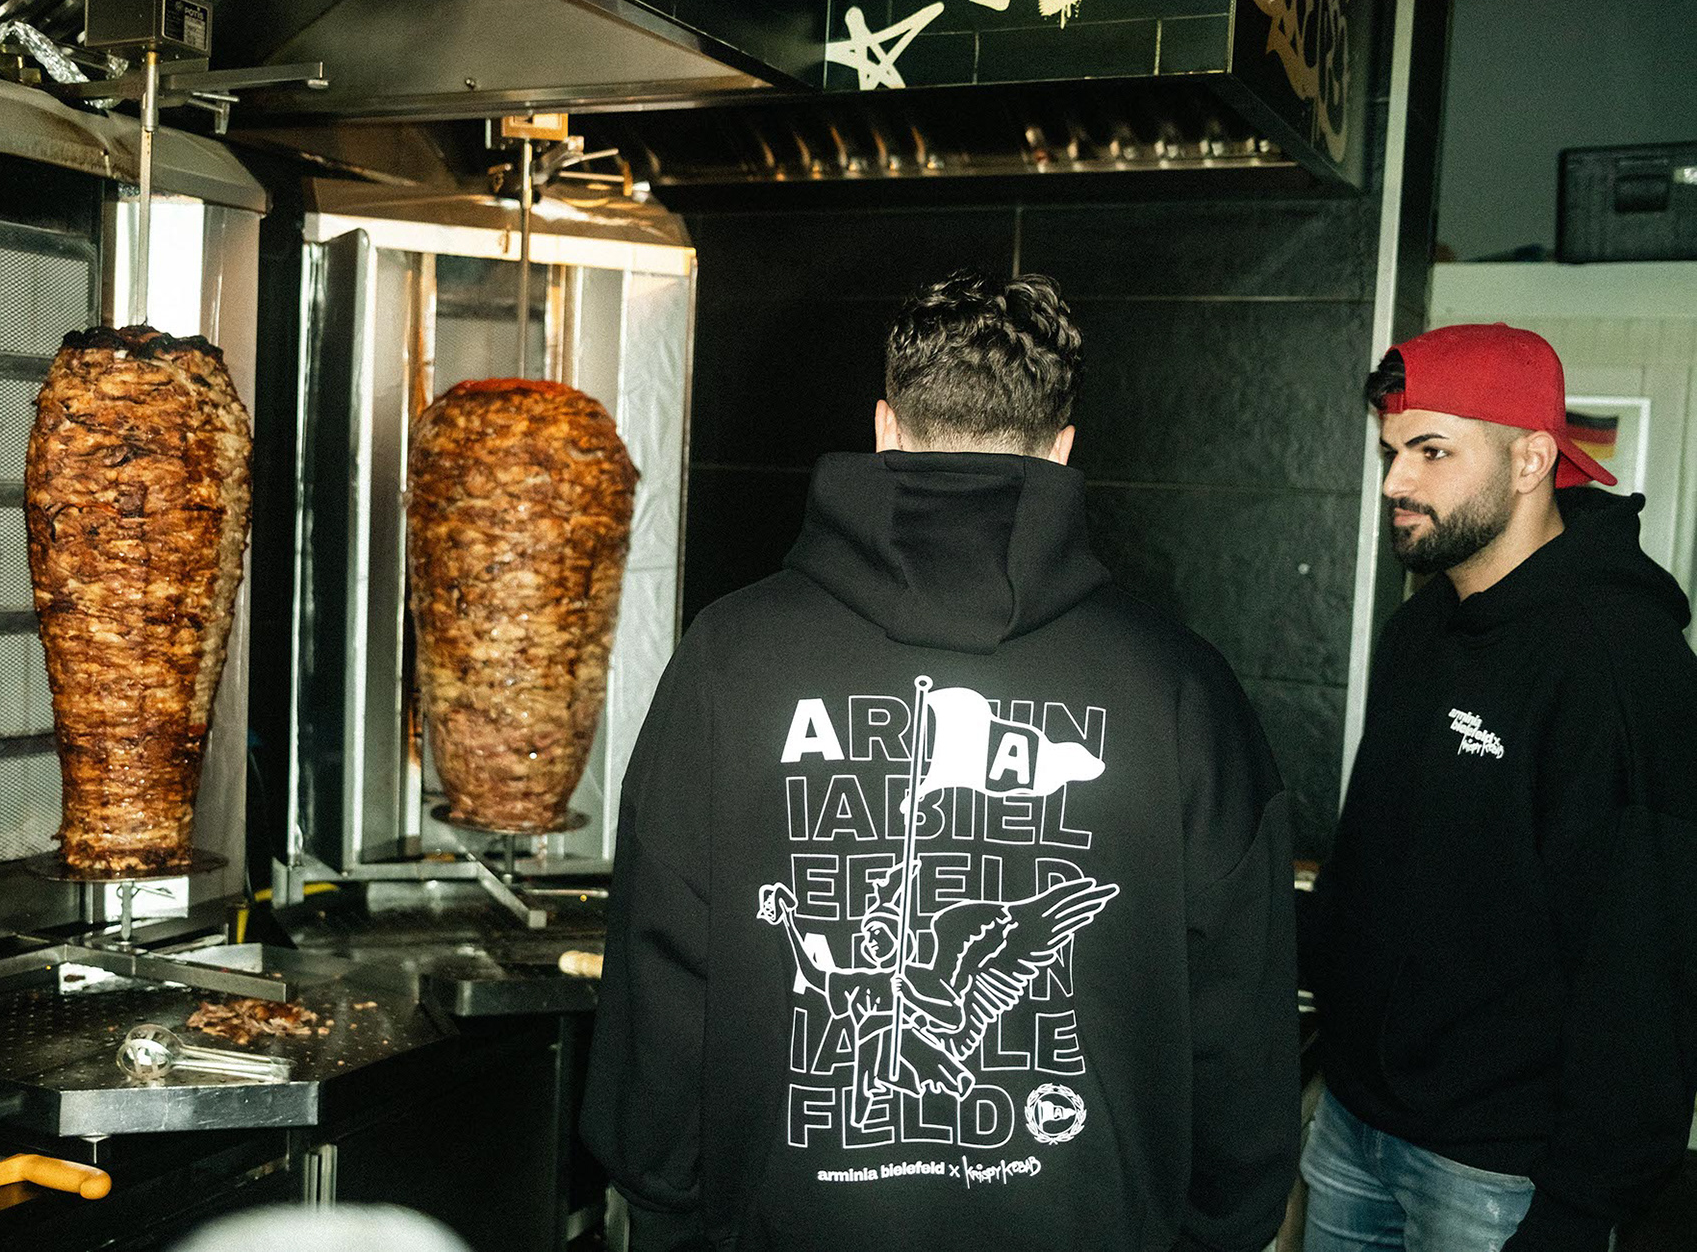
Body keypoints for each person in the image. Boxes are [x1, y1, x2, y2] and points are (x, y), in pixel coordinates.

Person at [582, 271, 1298, 1251]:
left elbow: (661, 967)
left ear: (884, 427)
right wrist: (1223, 1225)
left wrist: (663, 1205)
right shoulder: (1179, 684)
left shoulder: (728, 656)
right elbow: (1241, 1009)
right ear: (1063, 447)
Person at [1302, 322, 1697, 1252]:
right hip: (1354, 1123)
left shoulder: (1623, 666)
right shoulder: (1421, 630)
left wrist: (1577, 1208)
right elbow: (1377, 867)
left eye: (1432, 451)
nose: (1395, 482)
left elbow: (1648, 961)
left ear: (1530, 460)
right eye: (1393, 452)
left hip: (1500, 1172)